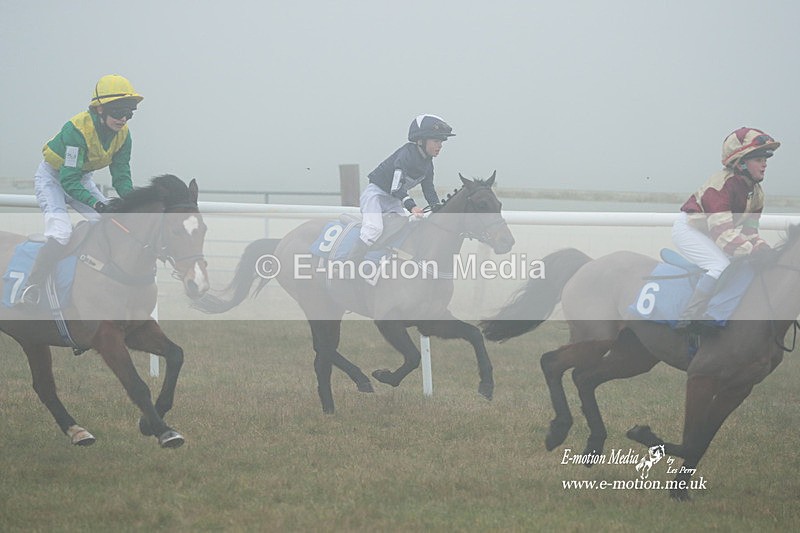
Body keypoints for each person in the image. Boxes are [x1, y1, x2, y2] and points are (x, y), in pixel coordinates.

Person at [19, 74, 144, 305]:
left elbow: (121, 177)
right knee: (61, 232)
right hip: (54, 180)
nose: (124, 119)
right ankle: (32, 286)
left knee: (112, 224)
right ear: (99, 110)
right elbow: (68, 181)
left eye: (129, 113)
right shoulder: (77, 130)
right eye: (118, 112)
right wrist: (97, 203)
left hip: (81, 178)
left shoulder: (124, 136)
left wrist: (133, 203)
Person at [671, 127, 780, 326]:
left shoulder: (757, 193)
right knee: (720, 266)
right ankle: (689, 317)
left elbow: (749, 232)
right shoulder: (720, 186)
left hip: (713, 232)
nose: (764, 165)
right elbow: (723, 234)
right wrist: (754, 250)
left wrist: (763, 248)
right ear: (741, 163)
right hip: (689, 230)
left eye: (766, 160)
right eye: (759, 160)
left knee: (745, 264)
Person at [348, 114, 455, 261]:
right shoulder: (406, 155)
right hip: (376, 196)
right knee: (373, 229)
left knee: (403, 228)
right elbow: (396, 188)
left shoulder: (428, 164)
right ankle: (349, 264)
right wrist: (412, 207)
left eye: (442, 141)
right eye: (436, 141)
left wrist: (438, 208)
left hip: (393, 201)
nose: (440, 145)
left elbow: (429, 190)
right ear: (421, 141)